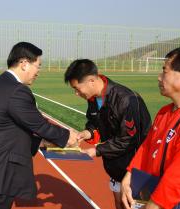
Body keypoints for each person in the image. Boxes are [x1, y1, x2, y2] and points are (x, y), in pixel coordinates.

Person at [0, 42, 78, 209]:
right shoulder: (16, 90)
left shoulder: (1, 84)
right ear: (24, 63)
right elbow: (38, 124)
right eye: (37, 66)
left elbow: (9, 130)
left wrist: (40, 143)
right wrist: (68, 136)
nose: (38, 72)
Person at [121, 47, 180, 209]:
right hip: (155, 195)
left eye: (164, 71)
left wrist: (154, 205)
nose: (159, 78)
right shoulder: (164, 112)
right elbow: (147, 147)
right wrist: (129, 174)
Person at [64, 59, 151, 209]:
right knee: (118, 203)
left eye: (77, 88)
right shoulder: (93, 99)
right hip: (115, 167)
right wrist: (86, 133)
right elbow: (95, 123)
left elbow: (128, 140)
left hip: (134, 171)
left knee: (130, 205)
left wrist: (96, 150)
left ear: (91, 80)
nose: (76, 94)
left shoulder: (126, 99)